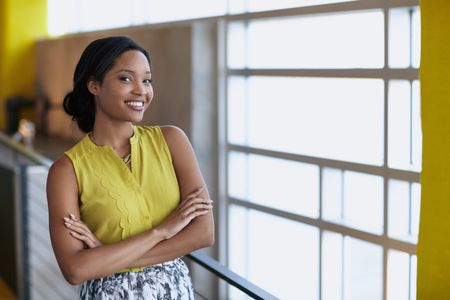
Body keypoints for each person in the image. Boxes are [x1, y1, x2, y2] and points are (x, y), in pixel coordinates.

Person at [46, 36, 214, 299]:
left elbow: (203, 233)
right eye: (126, 79)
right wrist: (162, 231)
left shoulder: (172, 141)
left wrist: (106, 256)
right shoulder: (66, 170)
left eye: (146, 80)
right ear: (94, 85)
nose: (141, 90)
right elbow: (75, 269)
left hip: (175, 292)